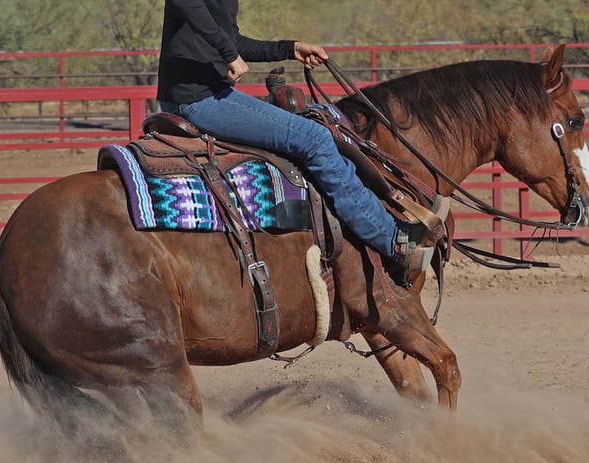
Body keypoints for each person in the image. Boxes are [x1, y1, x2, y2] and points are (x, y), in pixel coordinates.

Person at [156, 0, 447, 281]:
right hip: (197, 100)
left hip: (213, 94)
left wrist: (290, 48)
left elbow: (233, 42)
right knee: (314, 138)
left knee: (320, 123)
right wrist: (227, 52)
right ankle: (390, 239)